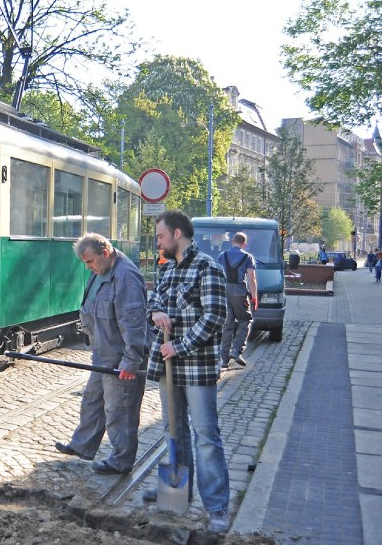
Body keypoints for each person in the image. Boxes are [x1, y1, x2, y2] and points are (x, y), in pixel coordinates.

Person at [145, 210, 231, 533]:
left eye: (160, 236)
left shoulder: (207, 268)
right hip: (168, 368)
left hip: (196, 368)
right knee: (173, 430)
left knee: (206, 436)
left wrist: (178, 346)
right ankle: (178, 491)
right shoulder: (167, 269)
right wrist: (156, 313)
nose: (158, 242)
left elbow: (214, 318)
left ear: (177, 234)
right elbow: (153, 299)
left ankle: (217, 506)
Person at [55, 233, 149, 475]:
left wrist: (131, 361)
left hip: (120, 359)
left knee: (119, 411)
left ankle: (121, 461)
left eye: (90, 262)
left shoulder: (125, 276)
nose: (89, 268)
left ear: (105, 253)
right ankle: (82, 445)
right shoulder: (102, 270)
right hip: (103, 354)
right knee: (92, 400)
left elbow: (134, 323)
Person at [217, 232, 257, 368]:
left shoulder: (222, 256)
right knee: (245, 320)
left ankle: (224, 360)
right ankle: (236, 350)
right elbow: (251, 278)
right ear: (245, 244)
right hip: (239, 292)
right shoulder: (247, 257)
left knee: (227, 324)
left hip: (224, 291)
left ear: (232, 240)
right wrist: (255, 297)